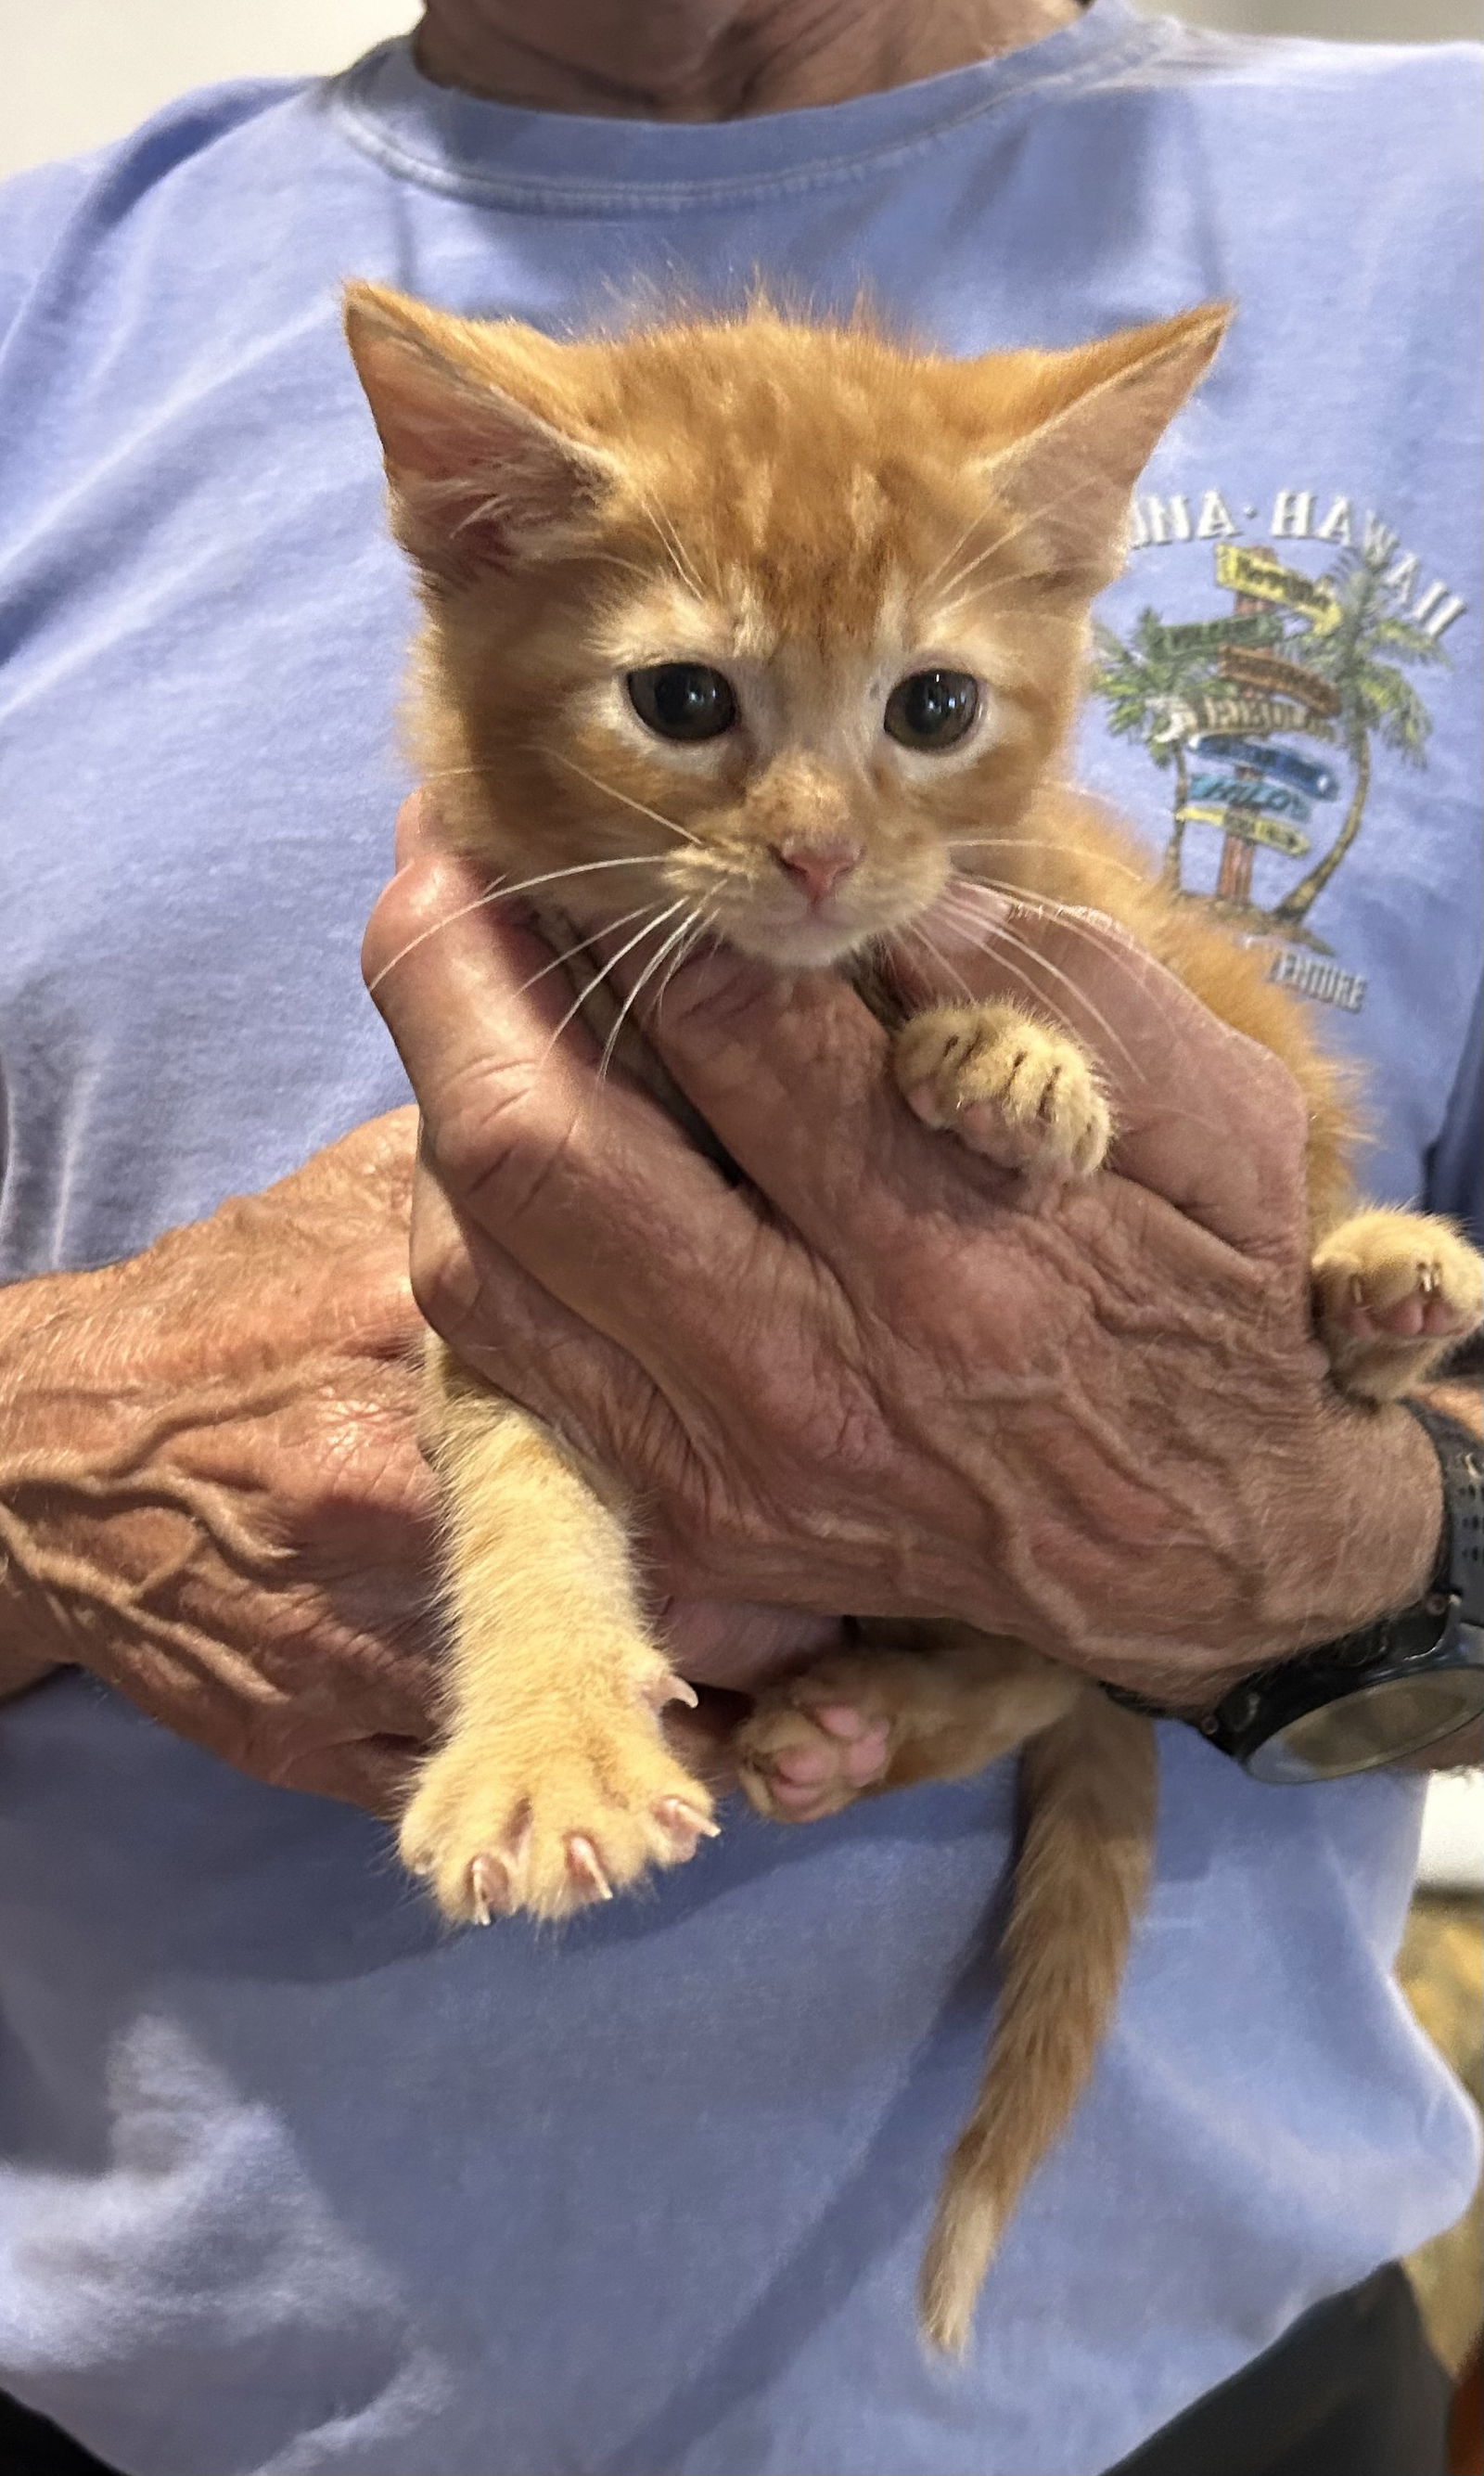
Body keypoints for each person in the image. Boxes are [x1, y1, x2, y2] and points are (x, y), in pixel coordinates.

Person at [0, 1, 1478, 2470]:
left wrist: (1309, 1517)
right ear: (460, 531)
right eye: (688, 707)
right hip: (109, 2385)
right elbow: (512, 1324)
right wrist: (39, 1457)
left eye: (913, 722)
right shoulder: (44, 304)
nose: (811, 845)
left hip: (1172, 2400)